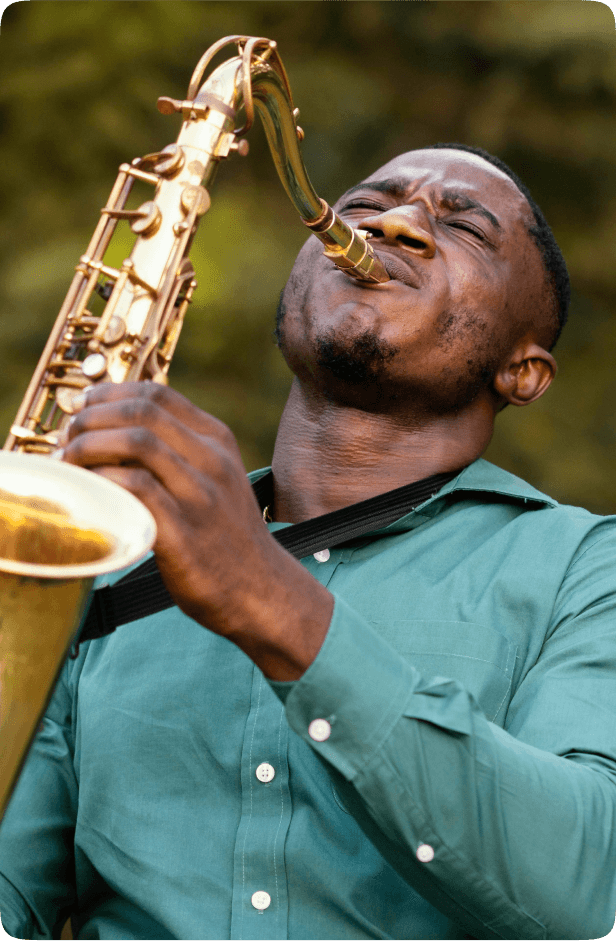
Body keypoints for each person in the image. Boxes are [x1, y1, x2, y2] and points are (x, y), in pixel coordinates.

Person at [0, 144, 615, 941]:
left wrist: (272, 600)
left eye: (462, 227)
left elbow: (593, 882)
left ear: (524, 371)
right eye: (365, 204)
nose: (394, 223)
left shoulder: (586, 570)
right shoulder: (108, 558)